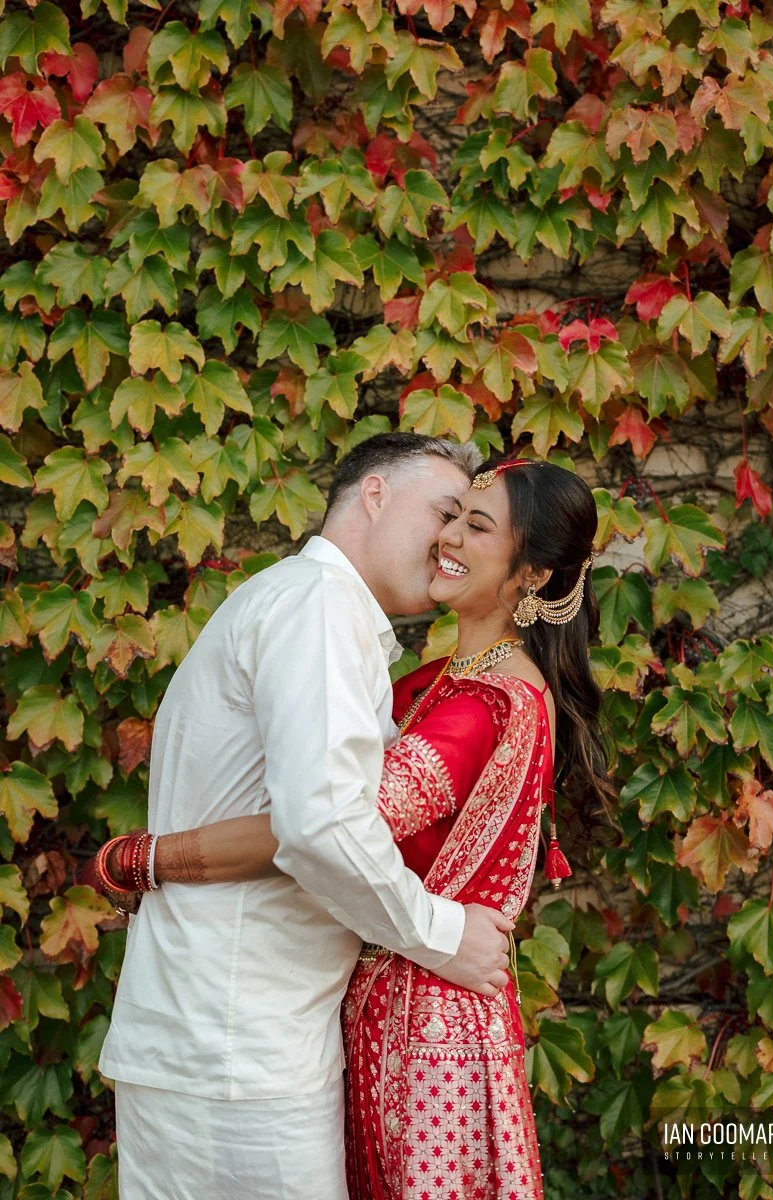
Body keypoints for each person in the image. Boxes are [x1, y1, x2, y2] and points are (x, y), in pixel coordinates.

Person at [95, 458, 615, 1200]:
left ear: (531, 572)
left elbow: (329, 826)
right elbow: (325, 826)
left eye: (474, 523)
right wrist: (142, 861)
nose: (448, 537)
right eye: (448, 512)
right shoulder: (392, 655)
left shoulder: (481, 700)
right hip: (276, 1034)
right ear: (374, 494)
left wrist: (143, 859)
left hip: (415, 1027)